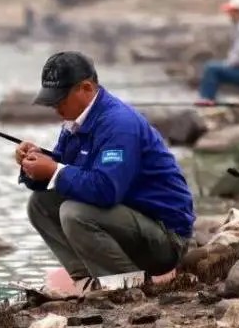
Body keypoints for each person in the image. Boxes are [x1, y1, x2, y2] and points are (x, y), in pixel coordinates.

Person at [15, 51, 195, 294]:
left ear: (86, 88)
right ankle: (87, 282)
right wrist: (35, 165)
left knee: (74, 212)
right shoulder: (76, 122)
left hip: (166, 238)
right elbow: (67, 169)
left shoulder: (119, 124)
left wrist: (54, 170)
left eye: (60, 99)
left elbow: (106, 190)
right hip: (128, 223)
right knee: (40, 203)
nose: (55, 107)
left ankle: (129, 286)